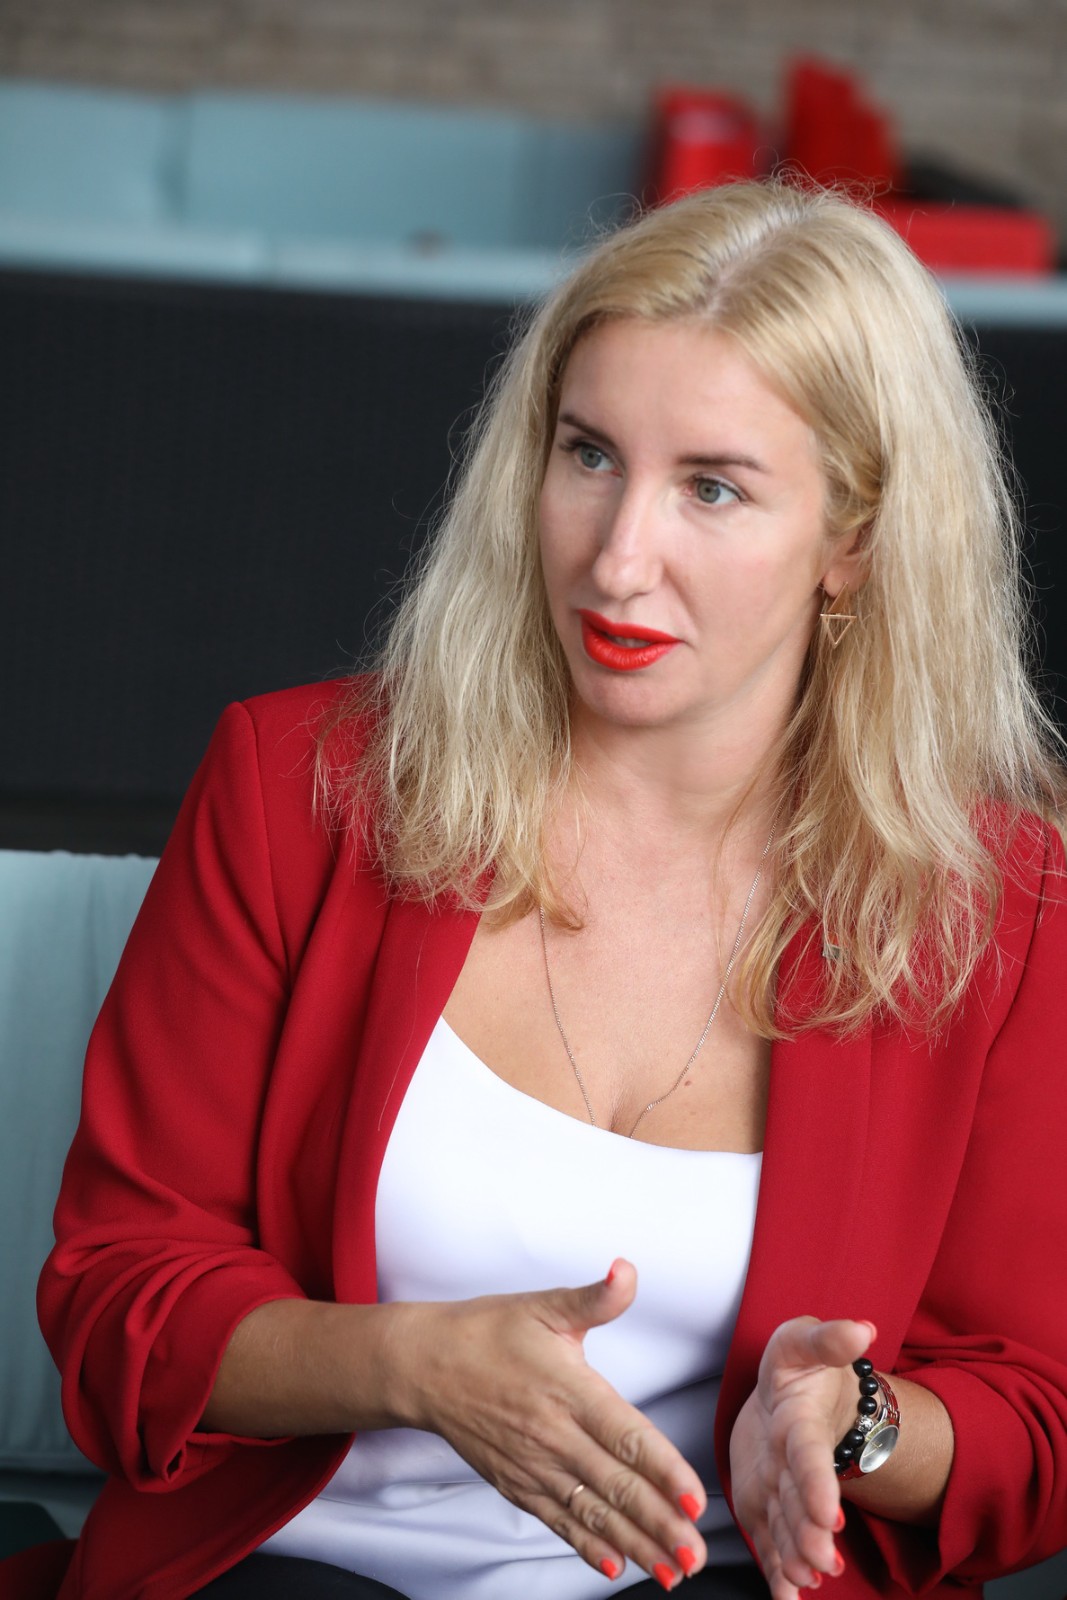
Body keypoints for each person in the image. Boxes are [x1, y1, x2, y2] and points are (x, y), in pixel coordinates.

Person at [14, 179, 1067, 1600]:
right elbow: (116, 1302)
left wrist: (854, 1425)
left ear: (854, 545)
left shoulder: (999, 913)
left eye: (712, 487)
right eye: (589, 455)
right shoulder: (297, 789)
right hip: (296, 1568)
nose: (618, 558)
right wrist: (411, 1364)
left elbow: (1039, 1418)